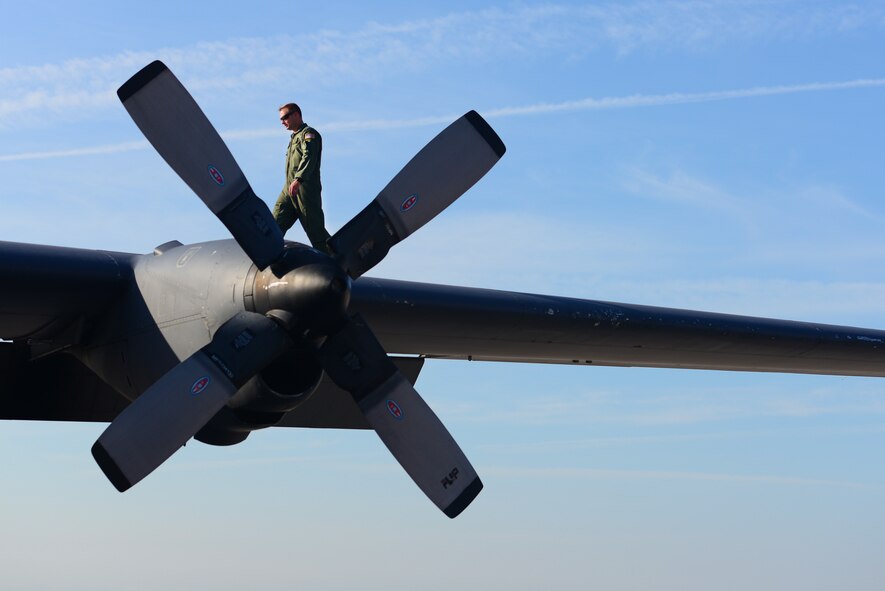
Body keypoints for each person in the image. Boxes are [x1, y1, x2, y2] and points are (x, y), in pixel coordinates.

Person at [272, 103, 332, 254]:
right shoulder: (293, 138)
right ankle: (266, 257)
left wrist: (299, 179)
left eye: (285, 117)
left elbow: (309, 157)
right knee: (274, 225)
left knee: (315, 231)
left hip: (305, 188)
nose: (282, 121)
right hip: (289, 188)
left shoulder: (309, 134)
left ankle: (335, 260)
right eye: (281, 119)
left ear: (297, 114)